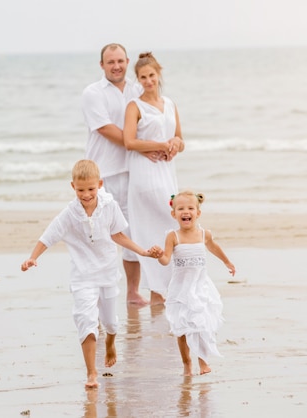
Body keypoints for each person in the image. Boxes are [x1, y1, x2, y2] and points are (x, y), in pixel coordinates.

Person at [20, 159, 161, 388]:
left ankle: (111, 342)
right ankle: (92, 373)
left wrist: (142, 252)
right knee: (86, 320)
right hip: (83, 276)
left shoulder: (109, 206)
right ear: (72, 187)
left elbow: (119, 235)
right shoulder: (69, 213)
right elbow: (49, 235)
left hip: (106, 271)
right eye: (81, 190)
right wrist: (33, 257)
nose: (86, 195)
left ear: (100, 185)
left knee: (111, 323)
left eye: (91, 189)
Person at [82, 43, 153, 306]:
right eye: (110, 62)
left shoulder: (137, 89)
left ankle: (133, 293)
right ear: (102, 65)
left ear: (127, 61)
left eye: (121, 61)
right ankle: (97, 294)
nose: (116, 66)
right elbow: (106, 129)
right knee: (100, 236)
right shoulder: (93, 93)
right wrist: (142, 145)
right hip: (103, 174)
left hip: (134, 171)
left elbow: (152, 118)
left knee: (130, 233)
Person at [123, 51, 185, 305]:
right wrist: (156, 145)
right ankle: (158, 290)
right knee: (155, 226)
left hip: (167, 171)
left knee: (168, 224)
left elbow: (180, 139)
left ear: (159, 75)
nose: (148, 81)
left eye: (151, 75)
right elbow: (129, 142)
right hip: (144, 173)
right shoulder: (134, 106)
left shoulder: (170, 104)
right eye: (143, 77)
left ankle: (166, 290)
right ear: (137, 79)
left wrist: (173, 146)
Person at [156, 191, 236, 376]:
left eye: (190, 208)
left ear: (198, 213)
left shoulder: (203, 234)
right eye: (181, 208)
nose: (186, 212)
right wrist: (160, 255)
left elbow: (214, 247)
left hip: (200, 286)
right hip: (180, 288)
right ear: (173, 214)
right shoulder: (173, 236)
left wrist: (227, 262)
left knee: (202, 324)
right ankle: (186, 363)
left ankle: (203, 362)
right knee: (181, 327)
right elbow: (166, 259)